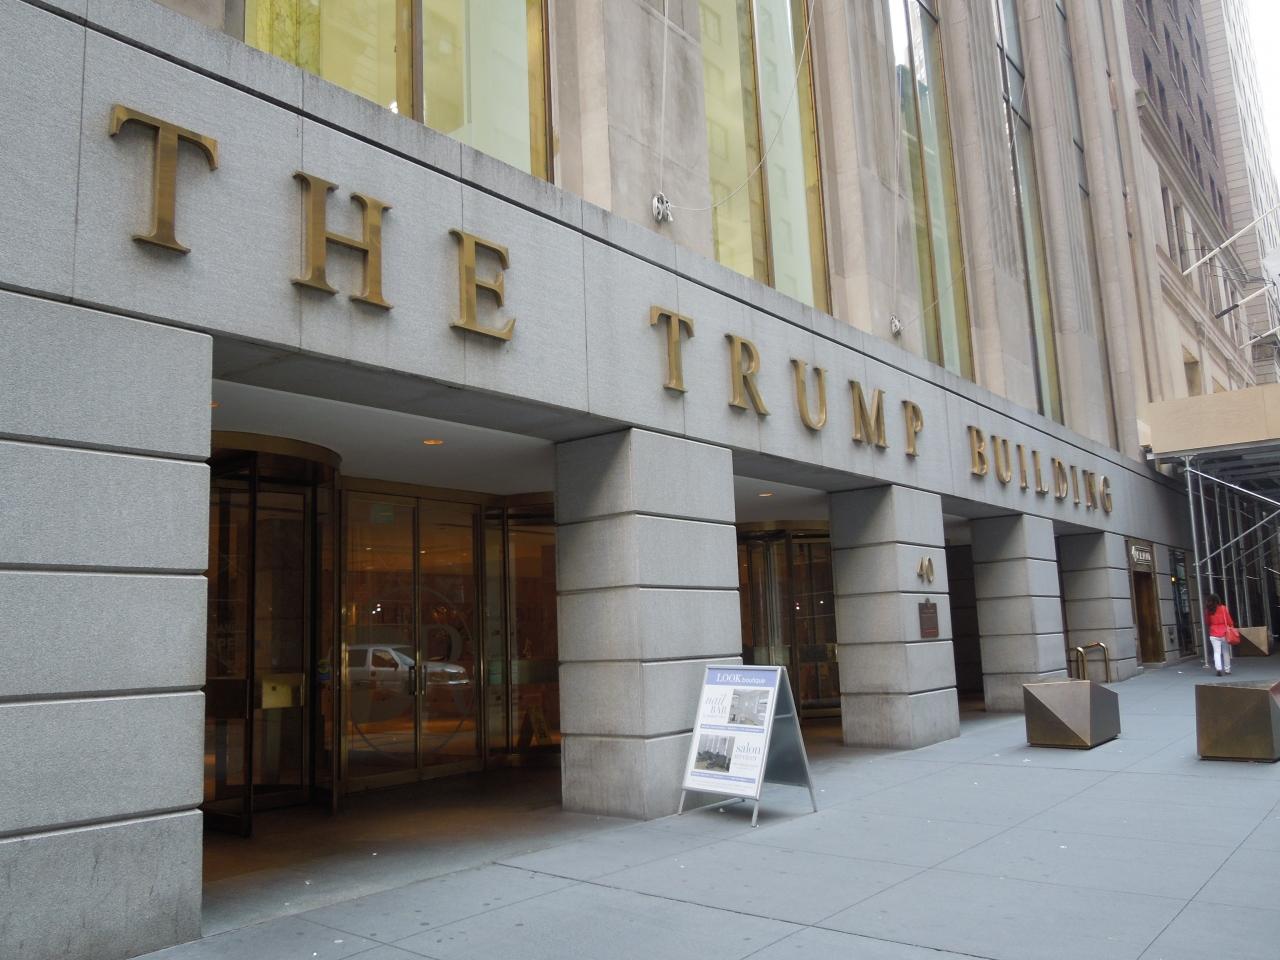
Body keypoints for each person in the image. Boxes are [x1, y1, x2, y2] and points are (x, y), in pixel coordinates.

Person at [1205, 593, 1235, 677]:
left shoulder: (1208, 610)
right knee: (1225, 652)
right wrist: (1231, 625)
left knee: (1216, 652)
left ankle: (1218, 669)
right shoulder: (1223, 608)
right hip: (1224, 633)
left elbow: (1207, 622)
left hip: (1213, 633)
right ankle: (1227, 669)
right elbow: (1229, 620)